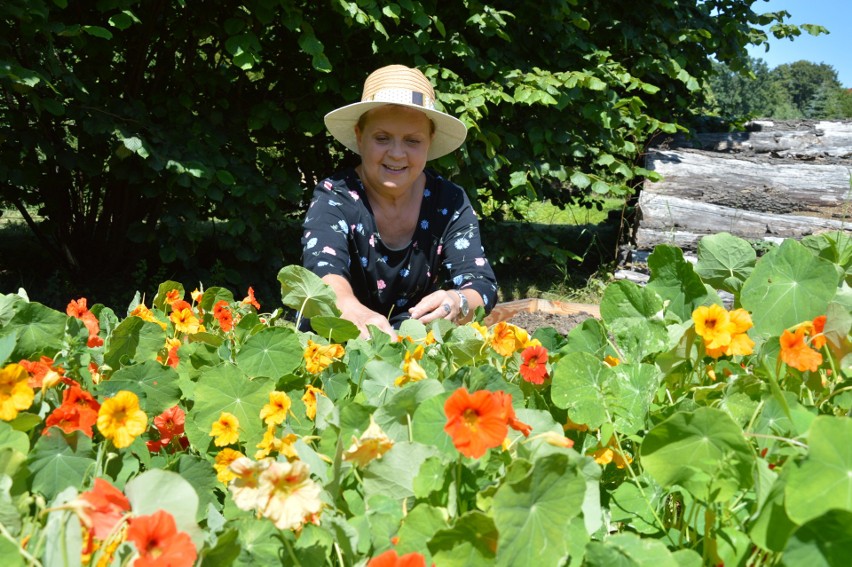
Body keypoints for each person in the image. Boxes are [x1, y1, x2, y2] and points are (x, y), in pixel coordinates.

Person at [301, 64, 498, 339]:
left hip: (416, 345)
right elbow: (322, 270)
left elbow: (481, 284)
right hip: (335, 341)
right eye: (382, 138)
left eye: (412, 141)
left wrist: (456, 302)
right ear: (360, 137)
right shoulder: (335, 195)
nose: (396, 153)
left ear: (430, 141)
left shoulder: (449, 200)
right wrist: (348, 307)